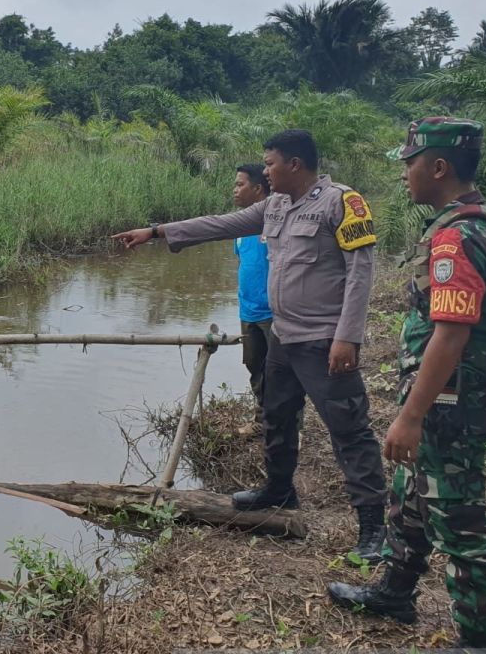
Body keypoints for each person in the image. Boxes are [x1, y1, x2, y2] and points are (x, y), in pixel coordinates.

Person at [113, 129, 387, 562]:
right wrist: (157, 231)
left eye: (271, 163)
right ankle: (279, 490)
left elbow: (360, 273)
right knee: (277, 416)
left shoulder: (341, 202)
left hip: (323, 341)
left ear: (294, 164)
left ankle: (374, 527)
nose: (266, 171)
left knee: (349, 432)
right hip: (283, 336)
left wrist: (347, 337)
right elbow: (221, 224)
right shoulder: (276, 205)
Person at [328, 118, 486, 649]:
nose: (404, 173)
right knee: (408, 499)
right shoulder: (484, 220)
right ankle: (395, 592)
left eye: (409, 162)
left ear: (438, 167)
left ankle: (479, 639)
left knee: (459, 517)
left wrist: (410, 416)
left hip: (450, 403)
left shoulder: (458, 237)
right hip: (442, 398)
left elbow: (451, 335)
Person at [232, 164, 273, 433]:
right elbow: (244, 262)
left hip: (275, 312)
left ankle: (292, 427)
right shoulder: (237, 225)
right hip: (248, 311)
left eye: (240, 185)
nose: (235, 190)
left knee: (282, 371)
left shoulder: (278, 220)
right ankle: (261, 421)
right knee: (254, 367)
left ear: (257, 189)